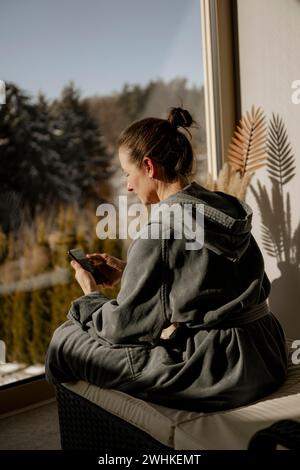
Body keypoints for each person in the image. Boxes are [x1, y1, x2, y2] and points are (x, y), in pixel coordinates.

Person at [45, 107, 288, 412]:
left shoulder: (161, 227)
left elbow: (123, 328)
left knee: (65, 340)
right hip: (267, 351)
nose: (129, 186)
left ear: (148, 166)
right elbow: (208, 276)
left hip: (220, 368)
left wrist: (90, 295)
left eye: (127, 174)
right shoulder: (222, 207)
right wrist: (130, 270)